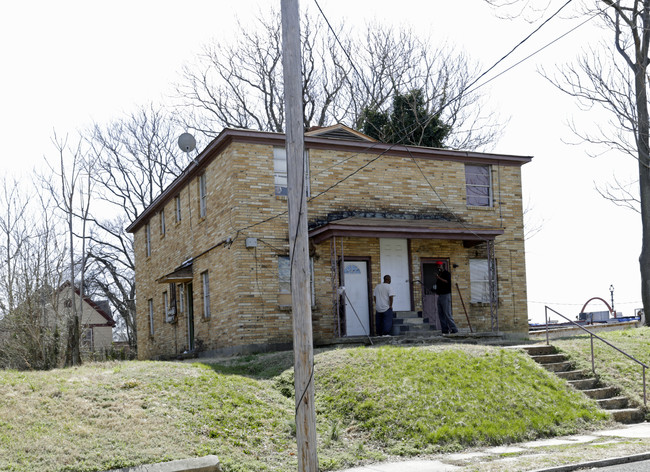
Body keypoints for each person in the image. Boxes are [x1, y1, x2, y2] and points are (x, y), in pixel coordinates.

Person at [435, 261, 458, 334]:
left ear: (442, 266)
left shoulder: (446, 273)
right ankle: (444, 329)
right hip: (440, 295)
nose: (438, 267)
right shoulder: (439, 274)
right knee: (441, 313)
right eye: (437, 266)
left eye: (439, 265)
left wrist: (438, 278)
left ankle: (454, 329)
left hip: (446, 295)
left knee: (447, 313)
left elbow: (447, 282)